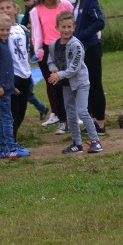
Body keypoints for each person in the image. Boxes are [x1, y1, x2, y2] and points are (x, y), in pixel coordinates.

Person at [48, 11, 103, 154]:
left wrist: (58, 75)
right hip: (66, 84)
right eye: (63, 27)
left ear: (74, 27)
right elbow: (50, 60)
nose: (66, 30)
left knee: (82, 111)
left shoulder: (76, 45)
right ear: (57, 28)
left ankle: (95, 141)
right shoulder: (53, 45)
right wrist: (53, 69)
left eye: (69, 27)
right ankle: (77, 143)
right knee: (70, 114)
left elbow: (74, 68)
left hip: (81, 83)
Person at [30, 0, 74, 132]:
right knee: (55, 85)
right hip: (49, 50)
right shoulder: (36, 10)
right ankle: (62, 120)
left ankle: (77, 115)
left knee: (72, 82)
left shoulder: (66, 4)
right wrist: (39, 50)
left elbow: (73, 23)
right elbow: (36, 31)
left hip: (67, 46)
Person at [67, 0, 107, 134]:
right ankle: (91, 120)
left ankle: (101, 122)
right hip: (82, 48)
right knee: (86, 84)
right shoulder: (77, 1)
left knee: (95, 83)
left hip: (91, 46)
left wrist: (82, 35)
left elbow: (99, 22)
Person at [0, 14, 30, 159]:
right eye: (2, 30)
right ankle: (11, 148)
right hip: (0, 90)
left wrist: (12, 86)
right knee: (7, 119)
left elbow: (6, 68)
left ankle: (0, 149)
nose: (5, 33)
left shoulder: (4, 44)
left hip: (7, 88)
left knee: (5, 118)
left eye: (7, 30)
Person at [0, 0, 33, 138]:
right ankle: (9, 141)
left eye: (8, 7)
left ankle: (13, 138)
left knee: (21, 111)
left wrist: (28, 70)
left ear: (16, 10)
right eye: (2, 8)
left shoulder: (23, 30)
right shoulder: (0, 33)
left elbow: (26, 51)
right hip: (11, 76)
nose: (6, 11)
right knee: (12, 111)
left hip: (25, 74)